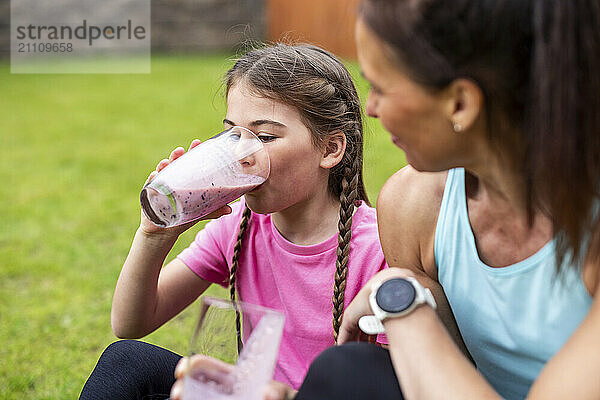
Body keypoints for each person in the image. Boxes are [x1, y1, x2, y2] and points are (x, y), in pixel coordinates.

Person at [283, 1, 600, 399]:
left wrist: (402, 304)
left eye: (380, 87)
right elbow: (447, 376)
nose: (371, 109)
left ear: (460, 104)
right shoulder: (414, 206)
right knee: (345, 371)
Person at [79, 43, 390, 400]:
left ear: (330, 149)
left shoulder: (377, 248)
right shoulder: (239, 226)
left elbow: (384, 384)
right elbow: (131, 323)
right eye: (234, 134)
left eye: (265, 136)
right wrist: (154, 235)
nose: (241, 153)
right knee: (127, 360)